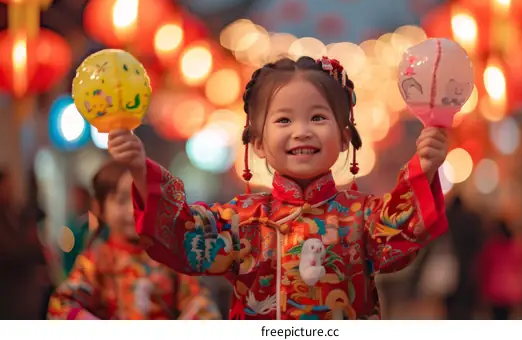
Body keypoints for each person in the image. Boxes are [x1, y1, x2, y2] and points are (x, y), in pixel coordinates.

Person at [108, 56, 449, 320]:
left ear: (345, 137)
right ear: (257, 142)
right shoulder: (241, 220)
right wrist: (140, 169)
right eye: (284, 120)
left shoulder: (363, 216)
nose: (301, 131)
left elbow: (402, 233)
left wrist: (425, 166)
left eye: (318, 117)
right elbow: (182, 234)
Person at [47, 161, 221, 320]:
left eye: (141, 201)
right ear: (99, 207)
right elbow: (61, 304)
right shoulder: (97, 259)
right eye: (122, 200)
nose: (133, 211)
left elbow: (201, 303)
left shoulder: (171, 256)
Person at [0, 168, 51, 319]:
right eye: (5, 185)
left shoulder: (16, 213)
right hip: (8, 292)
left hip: (26, 292)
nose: (9, 190)